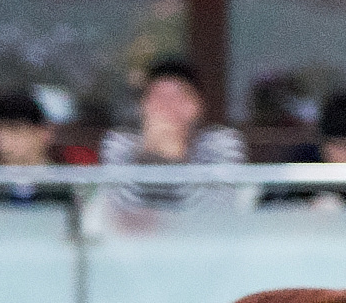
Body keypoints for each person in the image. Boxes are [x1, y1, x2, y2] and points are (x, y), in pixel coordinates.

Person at [99, 57, 247, 217]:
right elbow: (118, 217)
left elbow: (216, 215)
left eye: (178, 97)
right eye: (158, 97)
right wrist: (149, 156)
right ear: (142, 107)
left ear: (197, 107)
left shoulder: (220, 144)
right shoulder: (120, 144)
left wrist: (175, 160)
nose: (167, 107)